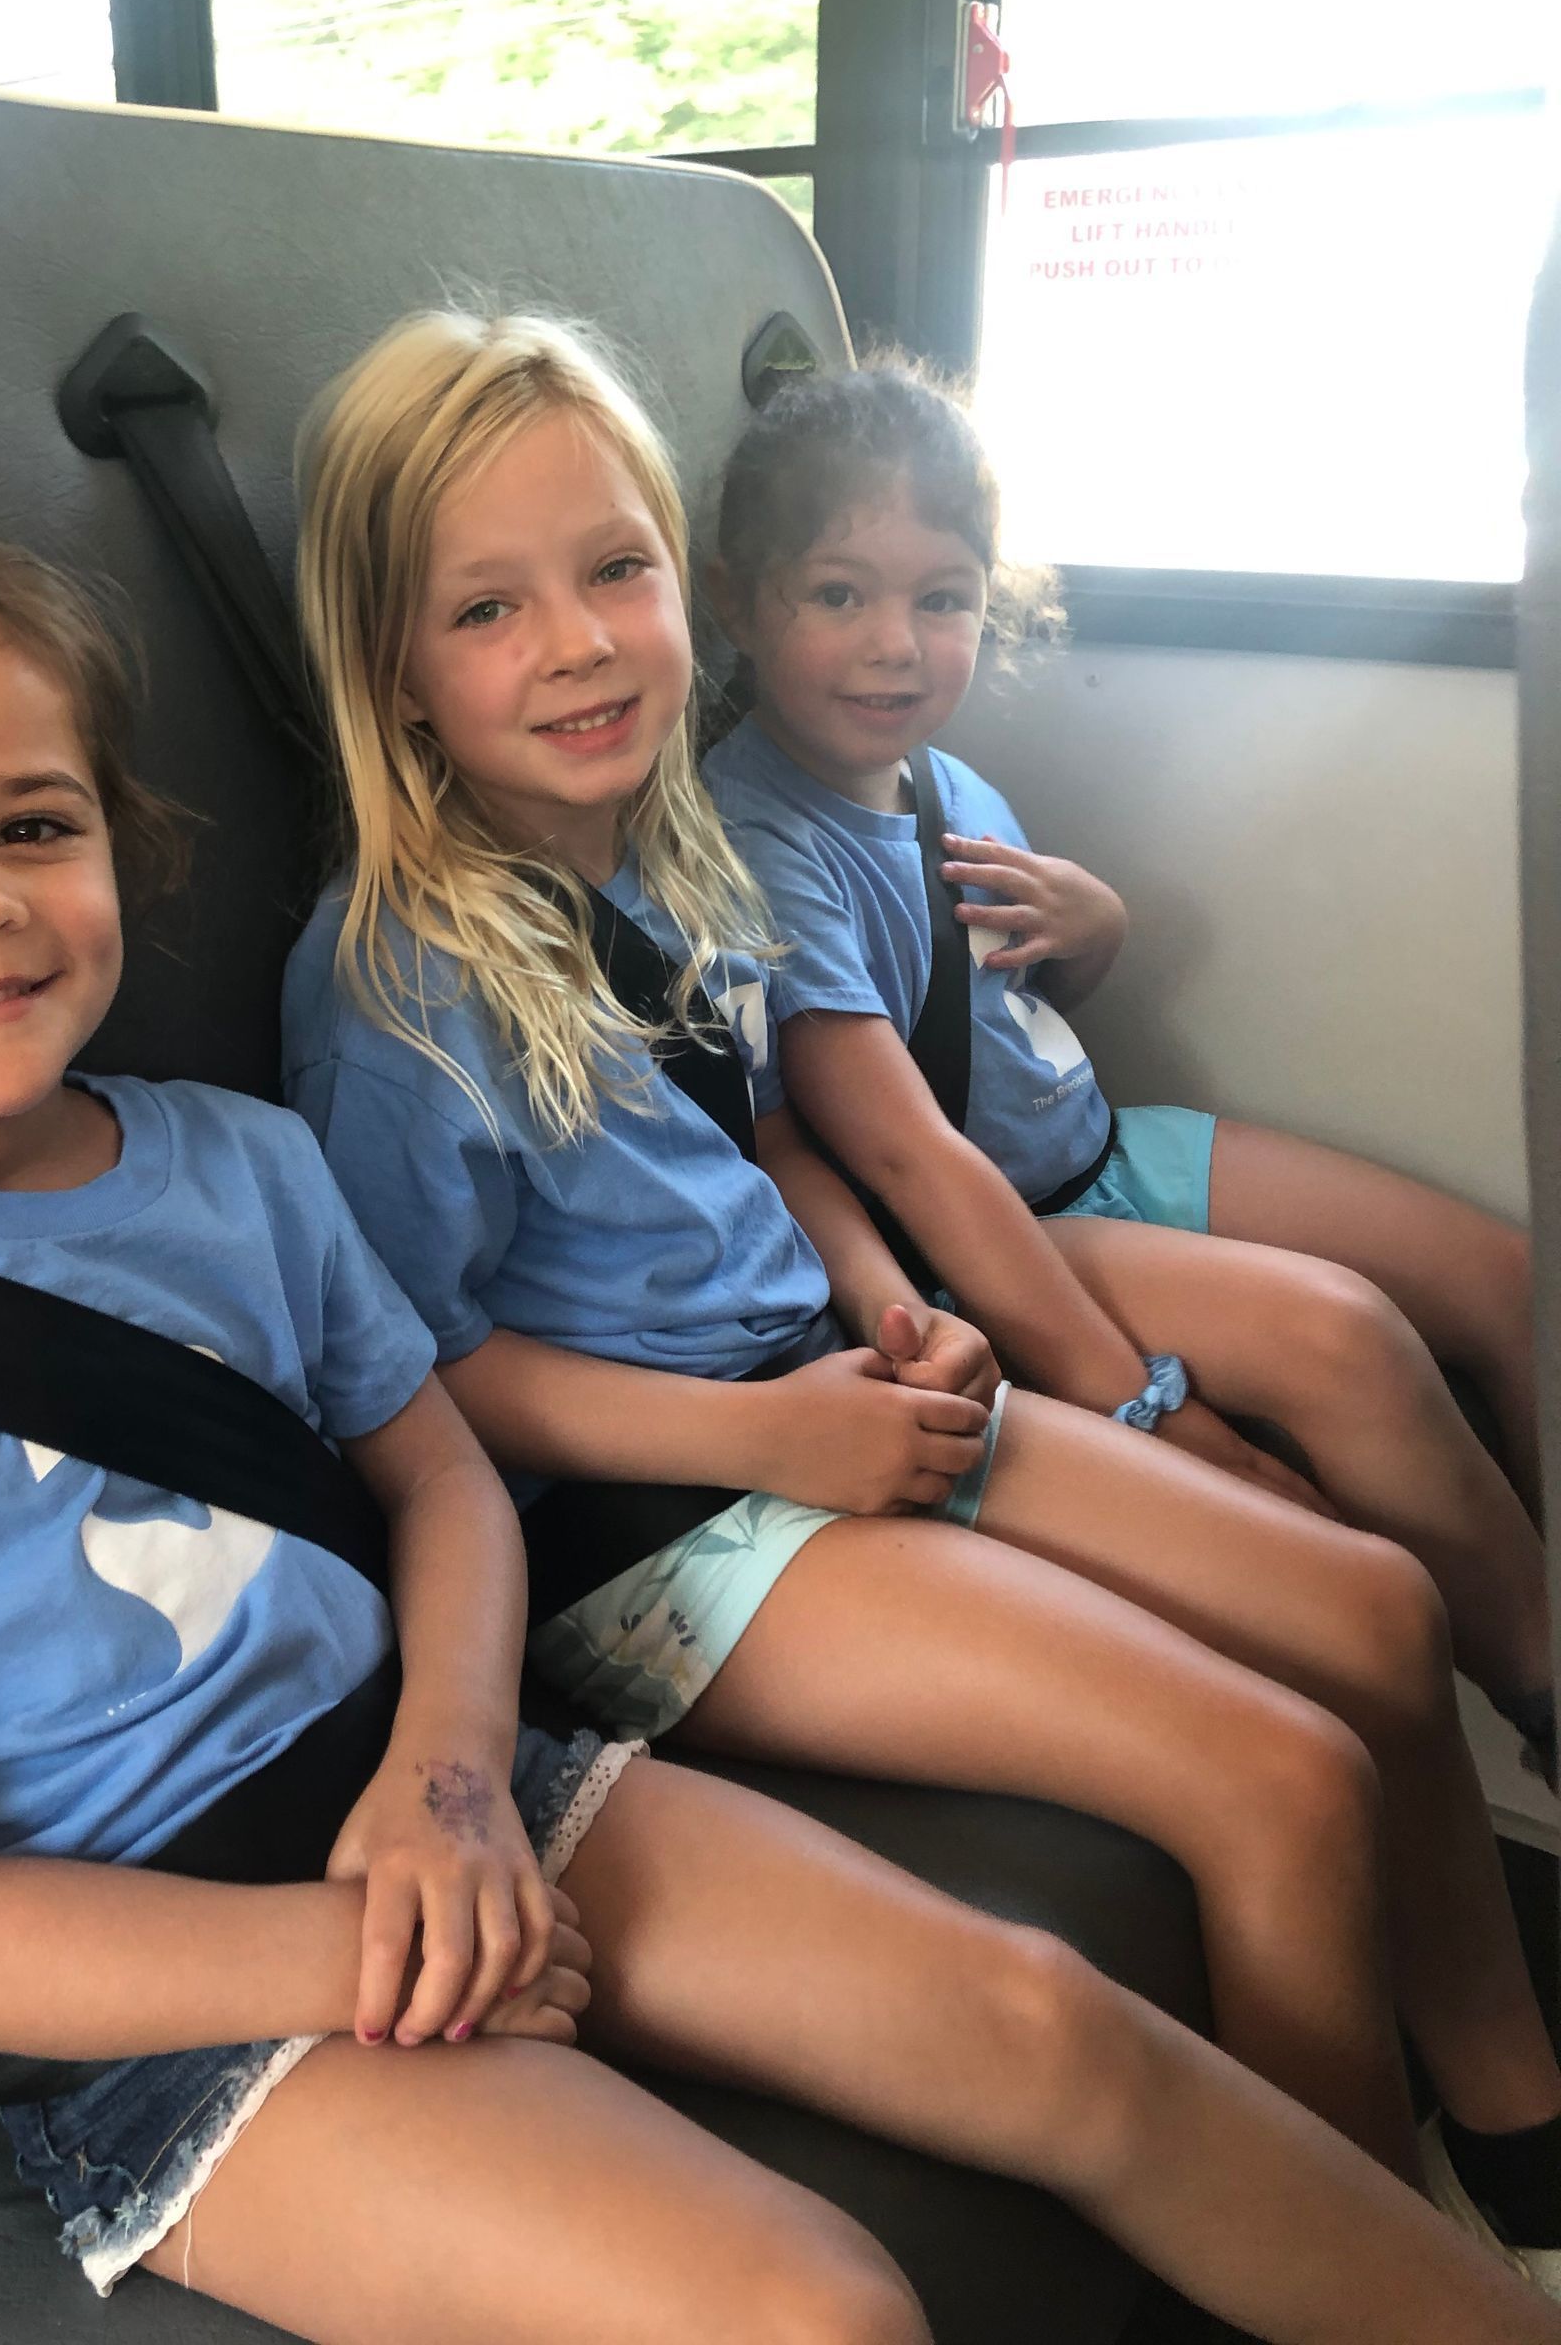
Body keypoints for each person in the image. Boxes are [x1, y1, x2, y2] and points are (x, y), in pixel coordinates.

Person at [0, 522, 1548, 2345]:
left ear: (117, 851)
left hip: (457, 1780)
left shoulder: (235, 1162)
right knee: (815, 2311)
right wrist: (368, 1948)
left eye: (31, 825)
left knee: (1056, 2025)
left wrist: (455, 1784)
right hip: (174, 1991)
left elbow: (438, 1479)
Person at [281, 306, 1561, 2295]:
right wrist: (765, 1429)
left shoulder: (680, 854)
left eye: (614, 571)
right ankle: (1383, 2254)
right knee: (1276, 1769)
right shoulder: (393, 982)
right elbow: (426, 1380)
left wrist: (885, 1301)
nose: (582, 642)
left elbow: (780, 1140)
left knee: (1380, 1608)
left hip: (830, 1386)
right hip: (659, 1522)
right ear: (394, 670)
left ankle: (1519, 2141)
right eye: (489, 609)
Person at [702, 352, 1551, 1787]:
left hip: (1102, 1146)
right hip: (1011, 1231)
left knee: (1505, 1280)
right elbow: (909, 1157)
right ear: (738, 602)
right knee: (1349, 1339)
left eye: (943, 598)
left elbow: (1003, 1004)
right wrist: (1147, 1407)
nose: (896, 645)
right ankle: (1539, 1679)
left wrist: (1100, 932)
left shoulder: (939, 781)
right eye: (838, 594)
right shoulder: (761, 837)